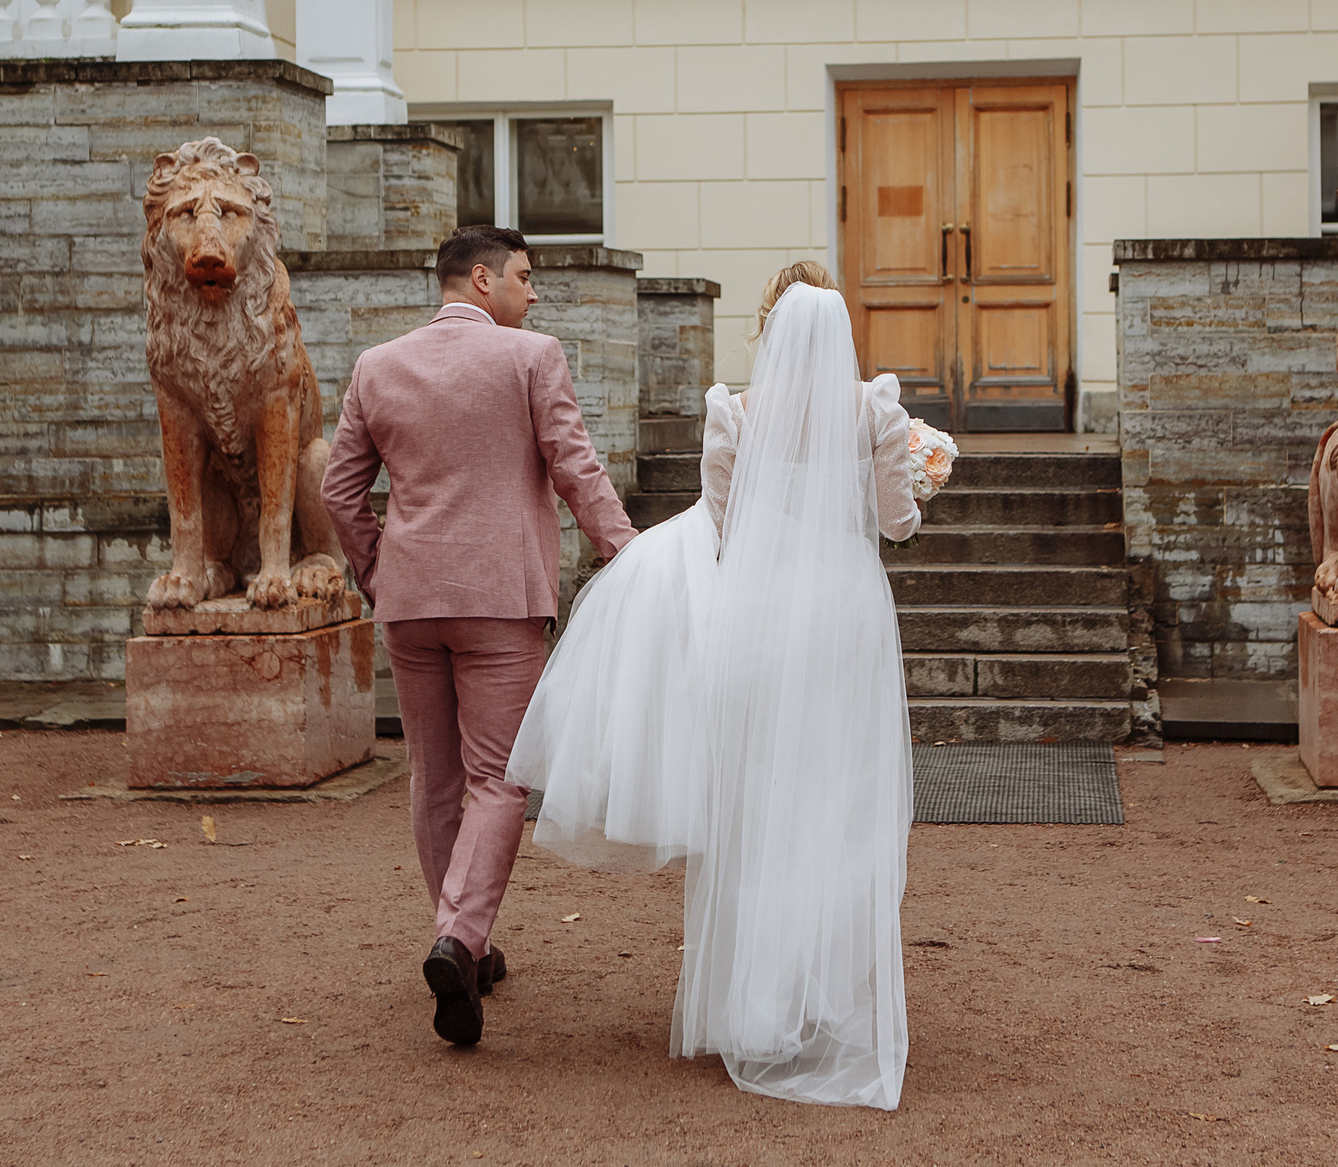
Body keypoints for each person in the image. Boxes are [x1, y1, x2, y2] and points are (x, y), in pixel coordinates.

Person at [510, 261, 923, 1109]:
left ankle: (753, 1006)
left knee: (758, 808)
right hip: (846, 618)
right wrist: (923, 476)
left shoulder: (735, 410)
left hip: (760, 617)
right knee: (834, 808)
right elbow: (896, 521)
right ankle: (819, 1003)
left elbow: (724, 522)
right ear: (841, 334)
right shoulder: (874, 405)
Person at [321, 225, 639, 1049]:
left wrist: (376, 572)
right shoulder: (531, 356)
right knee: (498, 778)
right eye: (524, 278)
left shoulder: (375, 365)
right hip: (500, 598)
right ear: (479, 278)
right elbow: (575, 467)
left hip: (410, 598)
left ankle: (467, 941)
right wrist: (631, 556)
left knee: (434, 778)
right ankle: (459, 940)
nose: (532, 293)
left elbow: (339, 488)